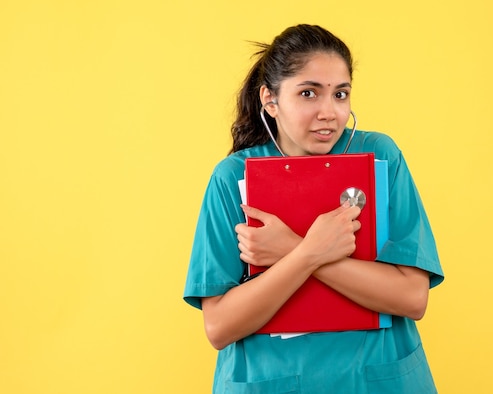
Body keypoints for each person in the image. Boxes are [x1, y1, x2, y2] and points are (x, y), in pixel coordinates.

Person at [183, 24, 444, 393]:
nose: (329, 112)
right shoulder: (231, 178)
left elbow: (412, 298)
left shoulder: (381, 158)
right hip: (271, 381)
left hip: (377, 379)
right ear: (270, 100)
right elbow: (220, 326)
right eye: (308, 93)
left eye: (341, 94)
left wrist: (292, 247)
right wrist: (309, 252)